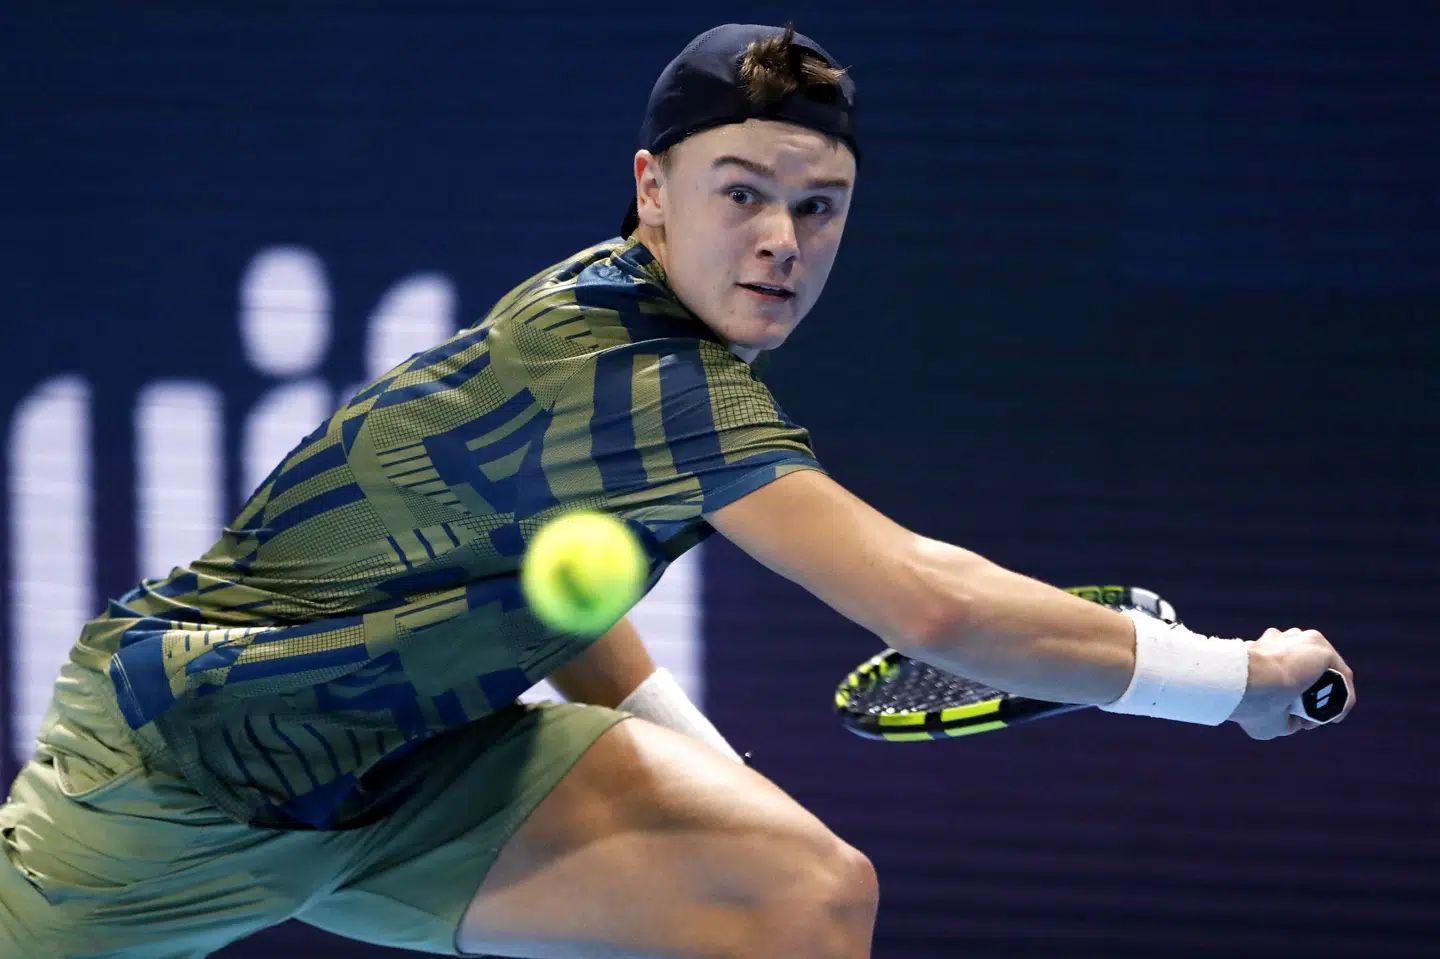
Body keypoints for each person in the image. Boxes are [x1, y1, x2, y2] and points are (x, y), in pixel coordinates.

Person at [0, 22, 1354, 959]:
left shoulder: (624, 312)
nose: (781, 241)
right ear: (653, 189)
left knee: (803, 892)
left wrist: (695, 762)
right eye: (741, 193)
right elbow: (931, 605)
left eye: (819, 206)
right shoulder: (646, 383)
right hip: (171, 784)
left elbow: (555, 587)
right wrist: (1236, 680)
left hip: (407, 779)